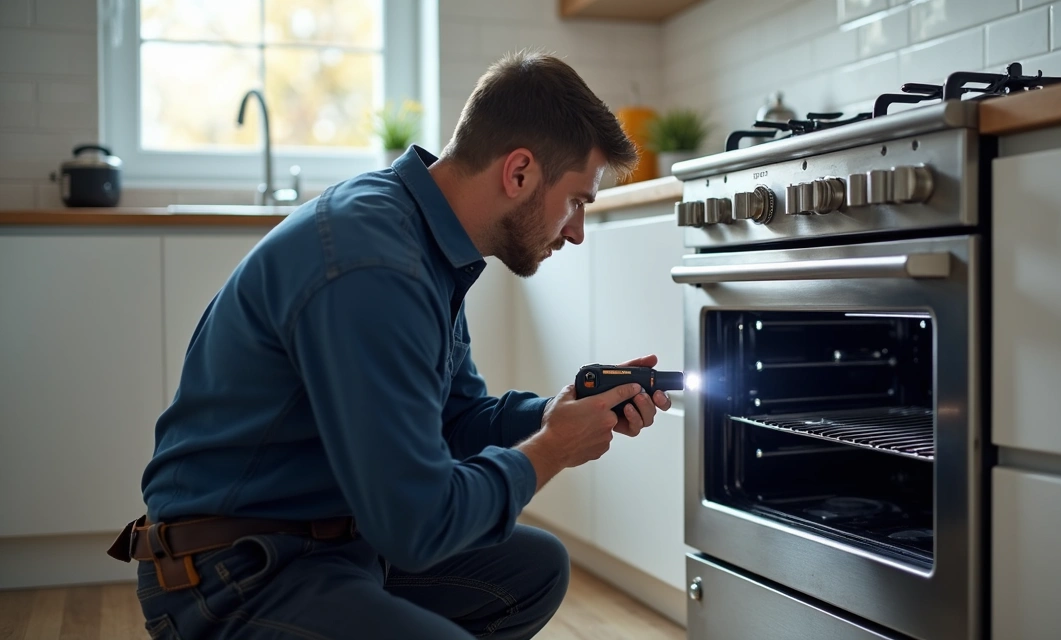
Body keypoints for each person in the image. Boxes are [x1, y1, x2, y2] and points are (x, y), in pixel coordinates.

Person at [105, 51, 674, 639]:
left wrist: (548, 415)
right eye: (577, 200)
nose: (577, 230)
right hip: (232, 574)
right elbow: (417, 524)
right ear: (520, 172)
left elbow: (451, 423)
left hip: (330, 539)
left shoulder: (426, 243)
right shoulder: (373, 264)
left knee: (532, 570)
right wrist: (551, 449)